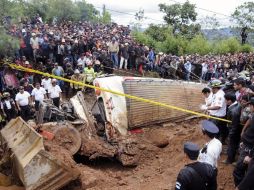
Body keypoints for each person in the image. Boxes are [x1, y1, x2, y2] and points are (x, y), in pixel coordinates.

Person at [233, 97, 254, 186]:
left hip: (249, 149)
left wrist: (250, 155)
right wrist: (243, 134)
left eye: (250, 105)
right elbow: (249, 120)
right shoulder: (253, 115)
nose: (249, 106)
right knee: (243, 169)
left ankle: (240, 186)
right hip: (246, 144)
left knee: (238, 170)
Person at [204, 79, 228, 144]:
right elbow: (213, 102)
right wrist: (207, 106)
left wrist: (207, 108)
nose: (211, 89)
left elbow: (218, 106)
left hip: (217, 117)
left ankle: (214, 144)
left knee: (213, 132)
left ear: (215, 87)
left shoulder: (220, 95)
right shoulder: (216, 93)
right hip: (214, 115)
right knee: (210, 130)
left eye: (212, 87)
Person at [223, 93, 242, 164]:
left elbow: (234, 125)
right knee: (234, 144)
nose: (225, 101)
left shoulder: (233, 111)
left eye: (225, 100)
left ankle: (229, 159)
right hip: (237, 129)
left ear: (229, 101)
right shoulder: (237, 104)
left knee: (232, 144)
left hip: (234, 130)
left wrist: (230, 134)